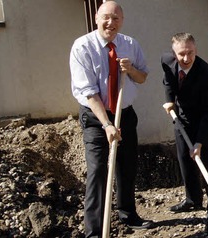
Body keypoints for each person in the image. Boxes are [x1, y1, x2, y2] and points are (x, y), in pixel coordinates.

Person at [69, 1, 153, 236]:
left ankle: (128, 214)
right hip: (97, 118)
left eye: (116, 19)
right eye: (106, 17)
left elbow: (143, 77)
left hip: (124, 114)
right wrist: (106, 124)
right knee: (97, 170)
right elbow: (88, 92)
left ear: (122, 21)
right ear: (96, 19)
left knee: (127, 166)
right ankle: (94, 230)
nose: (111, 23)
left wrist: (131, 70)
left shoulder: (129, 44)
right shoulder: (82, 47)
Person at [161, 33, 208, 232]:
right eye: (181, 54)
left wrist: (200, 142)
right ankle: (192, 199)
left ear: (196, 50)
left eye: (190, 52)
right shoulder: (167, 60)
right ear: (174, 54)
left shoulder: (205, 74)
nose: (186, 58)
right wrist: (170, 99)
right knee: (184, 157)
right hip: (183, 117)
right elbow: (167, 79)